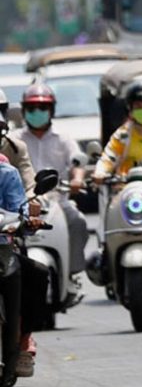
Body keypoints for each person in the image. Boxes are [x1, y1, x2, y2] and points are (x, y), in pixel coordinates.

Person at [11, 83, 88, 278]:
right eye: (32, 108)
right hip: (21, 204)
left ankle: (71, 273)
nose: (37, 112)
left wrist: (77, 180)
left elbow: (77, 161)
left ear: (51, 110)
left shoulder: (63, 139)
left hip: (57, 202)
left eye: (42, 108)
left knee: (77, 221)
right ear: (24, 111)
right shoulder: (14, 140)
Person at [0, 153, 45, 379]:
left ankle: (24, 340)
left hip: (3, 248)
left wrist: (28, 221)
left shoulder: (7, 173)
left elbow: (18, 210)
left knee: (38, 274)